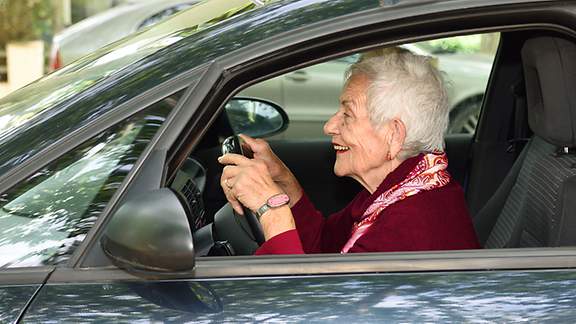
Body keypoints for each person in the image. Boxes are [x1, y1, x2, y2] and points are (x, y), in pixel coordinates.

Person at [218, 48, 480, 255]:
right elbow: (324, 245)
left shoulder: (407, 227)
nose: (329, 126)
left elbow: (305, 305)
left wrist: (271, 210)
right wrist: (282, 180)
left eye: (347, 114)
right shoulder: (397, 190)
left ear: (393, 134)